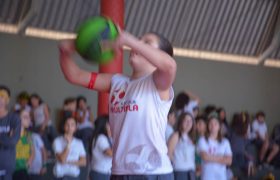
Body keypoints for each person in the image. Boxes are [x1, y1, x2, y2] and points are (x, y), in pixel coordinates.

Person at [59, 28, 176, 179]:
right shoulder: (116, 81)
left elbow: (170, 66)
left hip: (153, 173)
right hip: (119, 173)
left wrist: (130, 40)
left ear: (159, 55)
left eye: (146, 43)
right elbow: (74, 75)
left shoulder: (158, 83)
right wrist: (68, 50)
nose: (137, 45)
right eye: (138, 41)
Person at [197, 113, 232, 180]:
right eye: (210, 123)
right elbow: (205, 157)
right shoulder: (202, 140)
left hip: (221, 176)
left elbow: (229, 161)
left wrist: (210, 157)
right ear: (208, 126)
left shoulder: (225, 142)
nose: (213, 126)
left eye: (215, 123)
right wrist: (222, 158)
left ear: (219, 126)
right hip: (206, 176)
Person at [0, 85, 21, 180]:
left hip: (7, 167)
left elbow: (13, 142)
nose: (0, 99)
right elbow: (8, 140)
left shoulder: (14, 119)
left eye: (3, 96)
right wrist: (6, 136)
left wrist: (9, 139)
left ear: (8, 100)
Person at [168, 112, 196, 180]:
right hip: (179, 172)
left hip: (191, 172)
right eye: (186, 120)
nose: (188, 123)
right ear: (181, 122)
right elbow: (168, 154)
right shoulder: (176, 135)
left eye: (190, 121)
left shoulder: (191, 138)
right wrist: (177, 162)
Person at [13, 109, 35, 180]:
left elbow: (32, 150)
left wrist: (30, 161)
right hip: (12, 169)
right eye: (25, 117)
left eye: (29, 117)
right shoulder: (10, 134)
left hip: (23, 169)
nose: (29, 119)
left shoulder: (28, 135)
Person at [89, 115, 112, 180]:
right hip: (101, 173)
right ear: (104, 125)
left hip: (101, 172)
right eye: (109, 124)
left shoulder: (104, 138)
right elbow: (110, 153)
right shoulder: (101, 138)